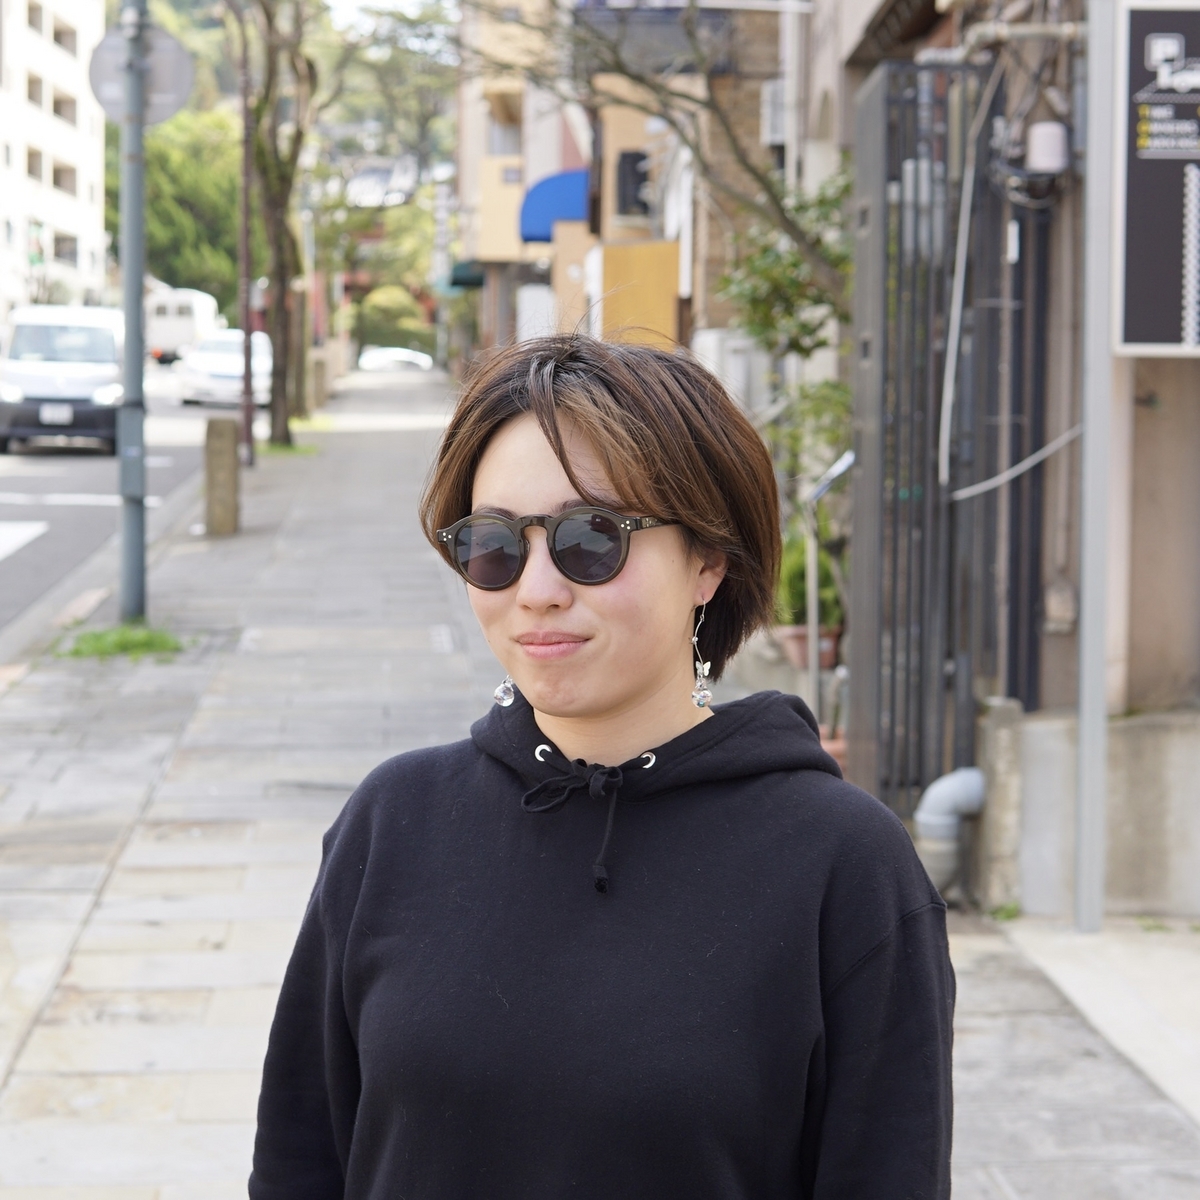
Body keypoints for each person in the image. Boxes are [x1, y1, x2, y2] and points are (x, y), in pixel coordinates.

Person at [249, 335, 954, 1200]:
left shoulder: (843, 864)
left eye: (592, 538)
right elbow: (298, 1164)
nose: (537, 589)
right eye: (495, 545)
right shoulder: (391, 822)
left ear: (707, 561)